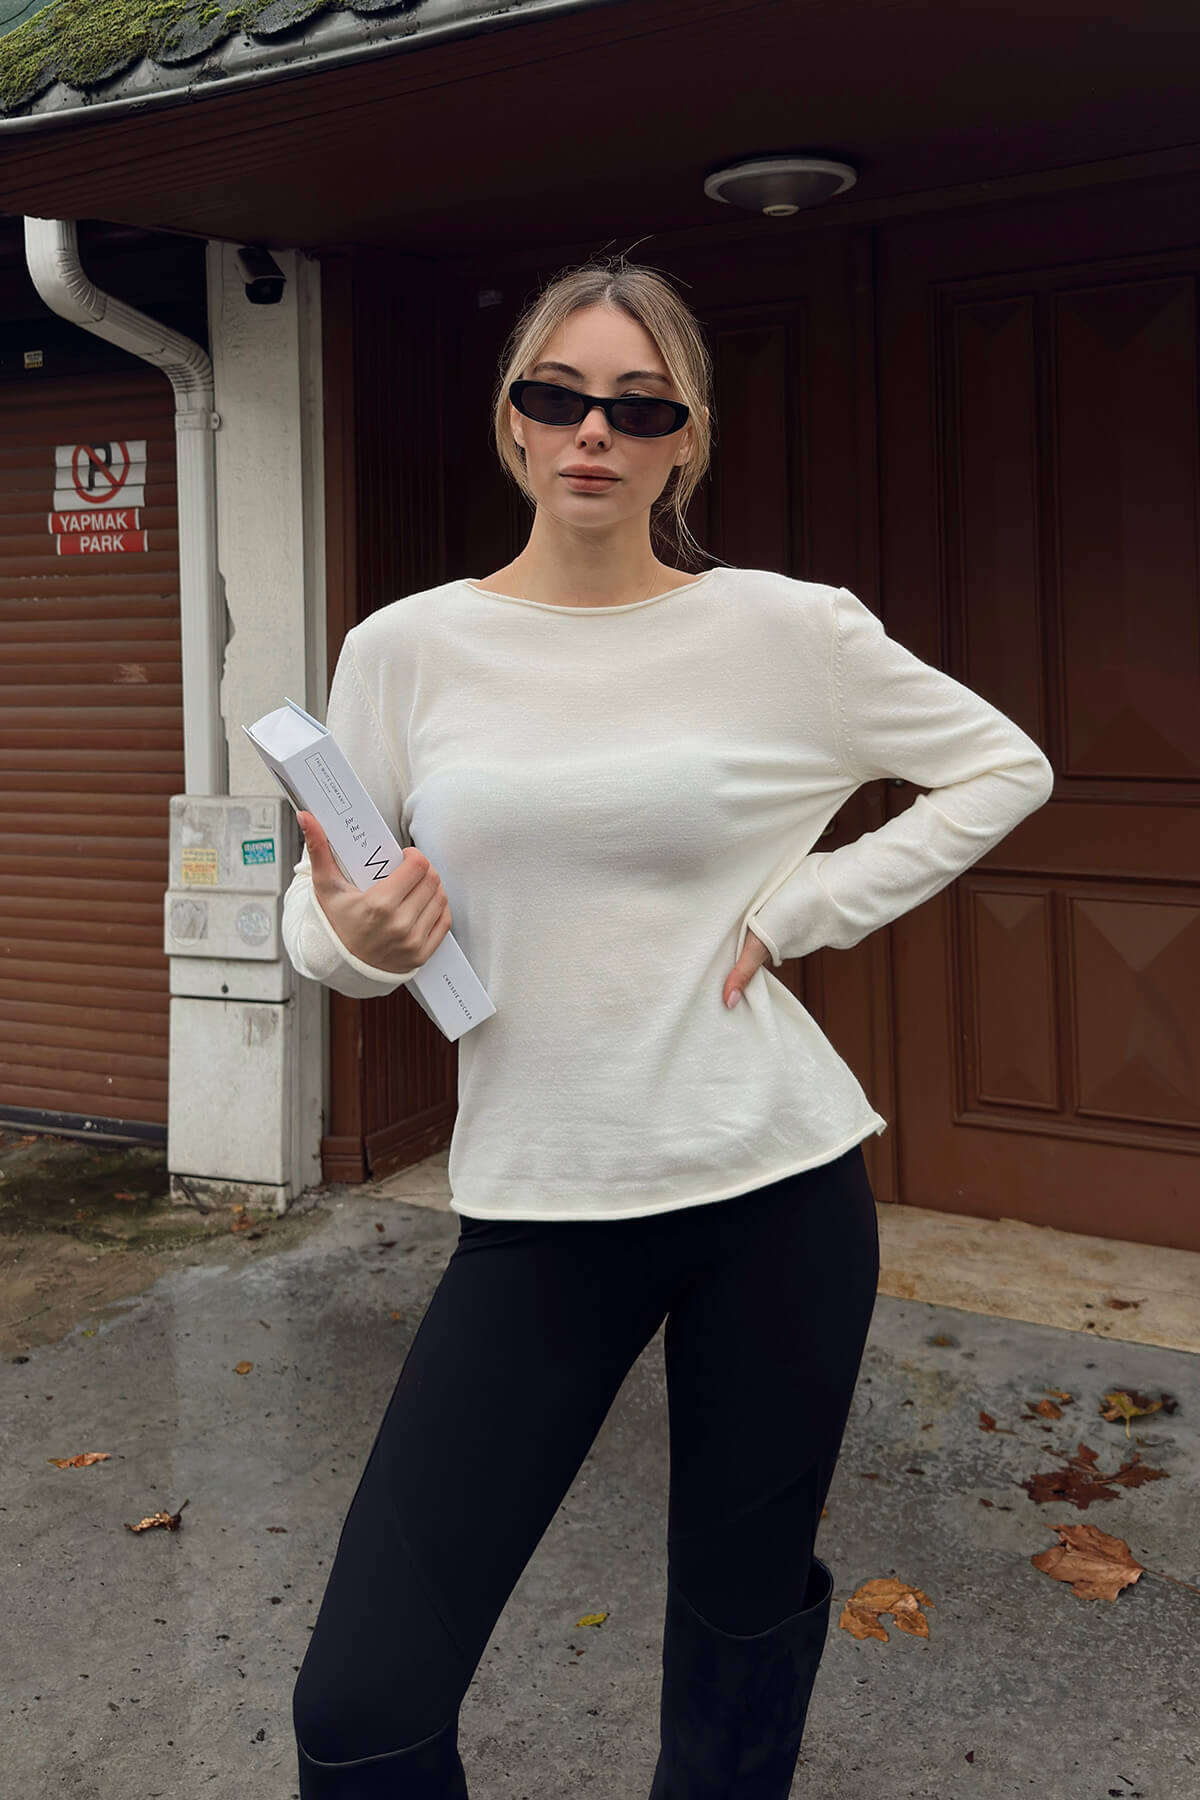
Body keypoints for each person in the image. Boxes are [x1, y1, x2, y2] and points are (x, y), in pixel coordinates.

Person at [281, 257, 1055, 1797]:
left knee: (739, 1623)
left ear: (685, 438)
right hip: (540, 1207)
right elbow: (318, 911)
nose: (596, 430)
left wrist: (803, 906)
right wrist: (355, 940)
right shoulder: (404, 649)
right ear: (512, 418)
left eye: (640, 406)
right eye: (559, 395)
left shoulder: (787, 630)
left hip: (776, 1191)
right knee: (360, 1701)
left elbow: (1003, 764)